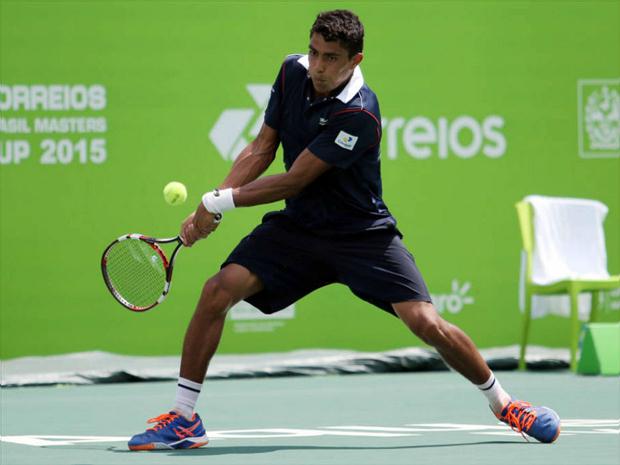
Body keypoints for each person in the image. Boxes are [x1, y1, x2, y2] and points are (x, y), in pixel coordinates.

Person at [128, 10, 560, 451]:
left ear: (354, 60)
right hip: (299, 228)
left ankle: (504, 404)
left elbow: (295, 178)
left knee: (425, 322)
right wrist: (212, 203)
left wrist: (217, 203)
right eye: (314, 52)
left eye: (330, 58)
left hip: (361, 235)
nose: (317, 65)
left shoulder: (360, 114)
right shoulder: (291, 71)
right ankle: (184, 418)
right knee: (218, 290)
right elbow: (262, 147)